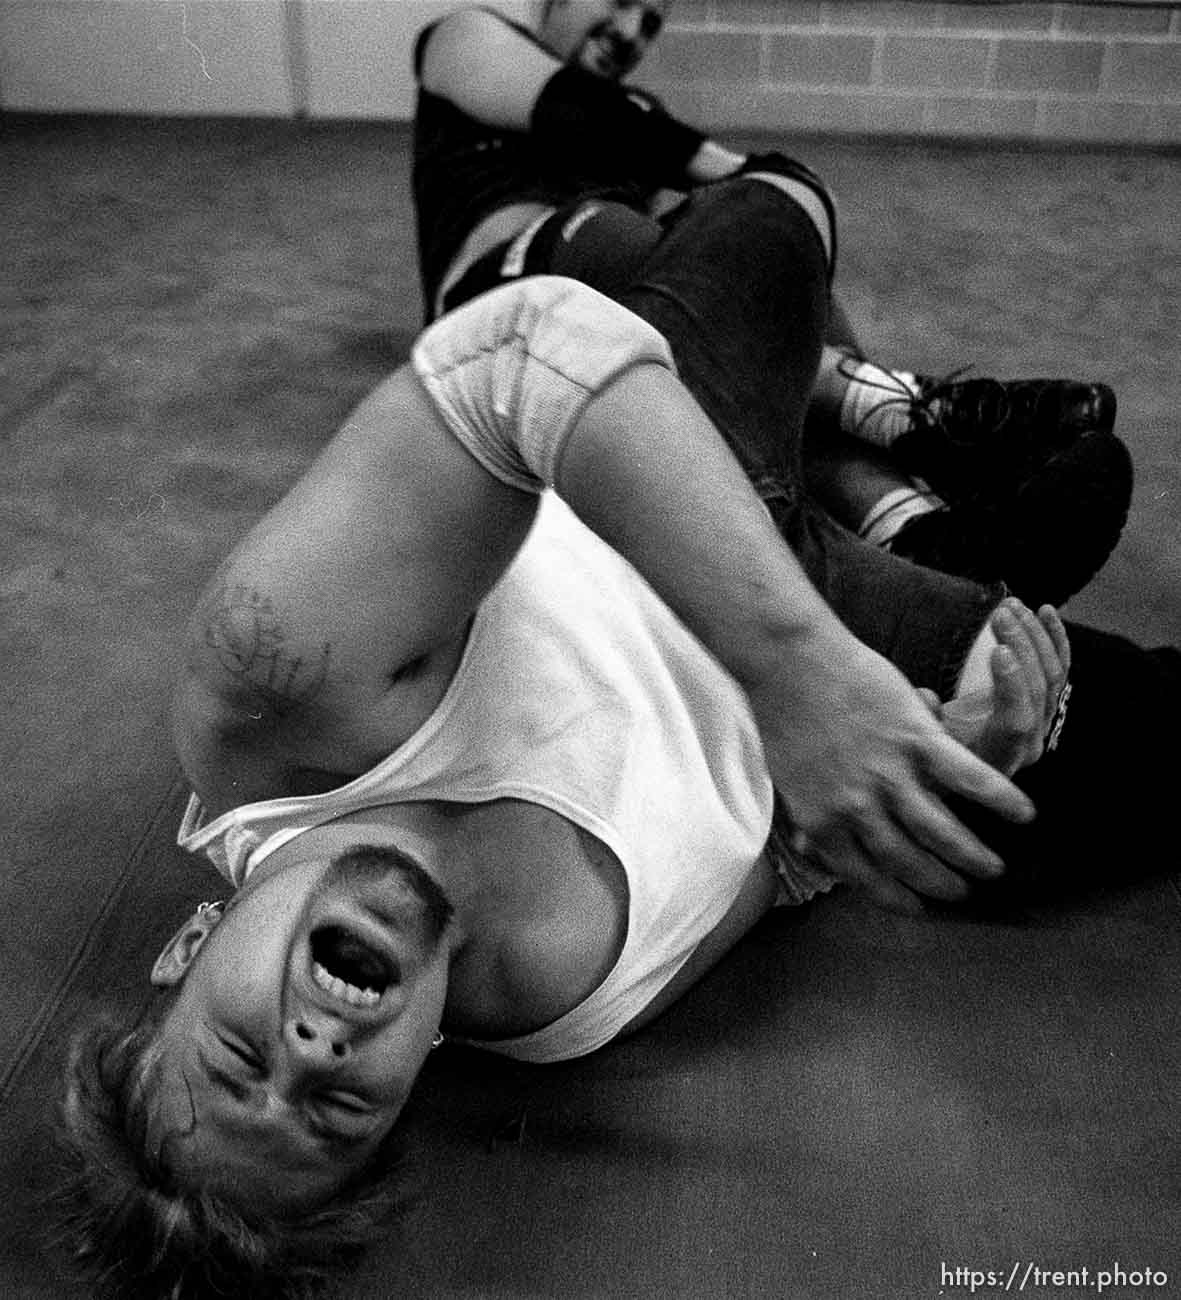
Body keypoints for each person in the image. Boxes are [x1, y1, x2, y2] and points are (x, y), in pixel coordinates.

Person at [54, 167, 1178, 1298]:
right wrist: (939, 760)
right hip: (829, 638)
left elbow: (522, 361)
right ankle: (879, 486)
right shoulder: (565, 1005)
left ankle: (842, 428)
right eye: (338, 1106)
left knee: (777, 211)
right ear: (403, 1093)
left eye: (241, 1055)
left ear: (186, 949)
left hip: (657, 469)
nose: (309, 1054)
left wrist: (803, 677)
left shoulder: (277, 707)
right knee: (1093, 516)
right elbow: (783, 852)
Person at [411, 0, 1134, 607]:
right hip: (497, 310)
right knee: (629, 237)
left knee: (752, 299)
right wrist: (745, 175)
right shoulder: (466, 36)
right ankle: (917, 416)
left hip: (612, 329)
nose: (633, 30)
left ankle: (916, 539)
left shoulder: (648, 124)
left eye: (652, 20)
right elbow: (580, 115)